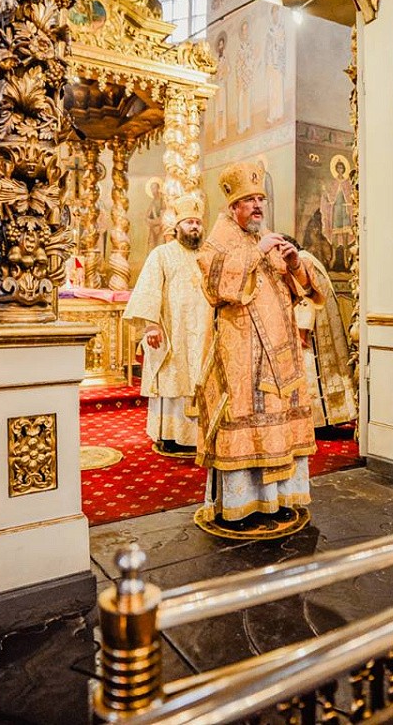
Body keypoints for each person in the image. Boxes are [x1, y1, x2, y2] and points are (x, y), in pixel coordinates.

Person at [196, 160, 322, 533]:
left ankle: (278, 499)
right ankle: (240, 506)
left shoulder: (266, 237)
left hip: (281, 356)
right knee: (246, 423)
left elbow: (302, 290)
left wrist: (295, 264)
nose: (257, 206)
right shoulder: (217, 242)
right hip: (240, 353)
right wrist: (256, 253)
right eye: (250, 200)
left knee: (280, 423)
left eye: (261, 199)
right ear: (233, 205)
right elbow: (217, 286)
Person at [123, 194, 212, 456]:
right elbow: (149, 290)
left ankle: (201, 436)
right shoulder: (162, 254)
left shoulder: (208, 256)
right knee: (174, 376)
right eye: (189, 222)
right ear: (178, 227)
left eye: (198, 222)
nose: (194, 227)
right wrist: (151, 326)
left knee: (202, 378)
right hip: (173, 330)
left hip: (204, 330)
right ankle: (172, 435)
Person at [283, 237, 357, 430]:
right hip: (323, 325)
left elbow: (305, 301)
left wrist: (301, 331)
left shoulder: (302, 262)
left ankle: (316, 419)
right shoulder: (312, 259)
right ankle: (330, 417)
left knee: (312, 368)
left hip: (313, 331)